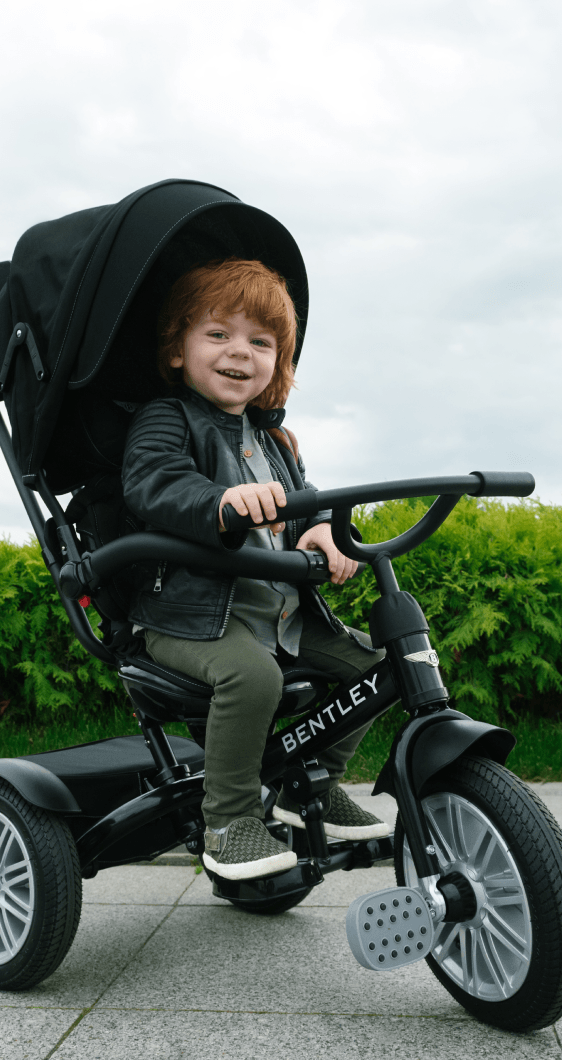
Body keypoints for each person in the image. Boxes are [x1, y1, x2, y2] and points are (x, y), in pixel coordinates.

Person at [121, 258, 390, 881]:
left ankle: (309, 788)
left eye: (259, 342)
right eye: (217, 334)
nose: (238, 352)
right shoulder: (168, 420)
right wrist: (217, 502)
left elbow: (302, 506)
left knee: (377, 666)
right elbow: (153, 483)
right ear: (177, 352)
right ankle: (231, 821)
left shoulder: (275, 441)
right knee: (255, 679)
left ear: (279, 363)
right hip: (190, 619)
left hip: (281, 614)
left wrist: (322, 527)